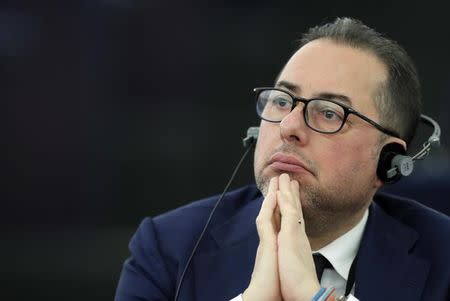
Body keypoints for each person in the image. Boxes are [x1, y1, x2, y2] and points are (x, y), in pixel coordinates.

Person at [114, 17, 450, 301]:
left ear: (388, 160)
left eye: (330, 113)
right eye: (281, 101)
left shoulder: (443, 257)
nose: (289, 127)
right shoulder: (168, 248)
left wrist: (309, 293)